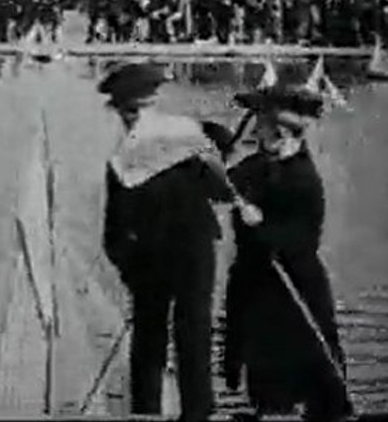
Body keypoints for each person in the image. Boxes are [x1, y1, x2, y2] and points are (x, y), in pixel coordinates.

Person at [98, 62, 249, 421]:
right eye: (128, 113)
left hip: (194, 253)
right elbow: (114, 231)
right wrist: (130, 269)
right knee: (147, 338)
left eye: (140, 110)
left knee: (193, 334)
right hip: (149, 261)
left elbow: (223, 184)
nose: (134, 121)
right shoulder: (121, 163)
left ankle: (198, 413)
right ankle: (145, 413)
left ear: (154, 105)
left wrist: (218, 153)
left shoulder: (190, 142)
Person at [223, 85, 353, 421]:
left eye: (263, 127)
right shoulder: (257, 166)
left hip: (295, 291)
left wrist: (260, 225)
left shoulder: (304, 179)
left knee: (318, 383)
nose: (256, 132)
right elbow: (225, 180)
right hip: (257, 292)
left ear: (283, 134)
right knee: (265, 384)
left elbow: (298, 239)